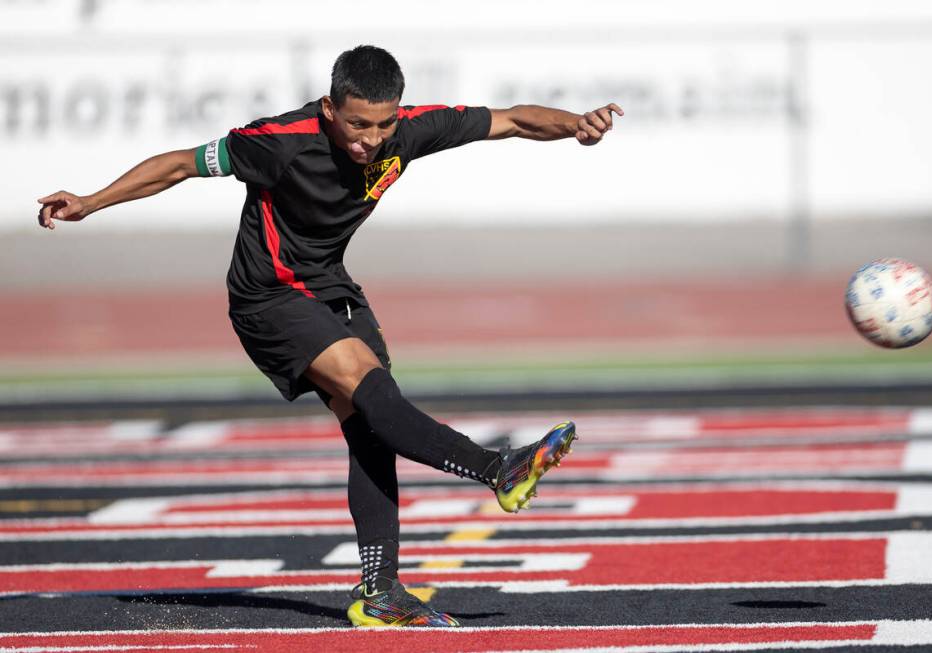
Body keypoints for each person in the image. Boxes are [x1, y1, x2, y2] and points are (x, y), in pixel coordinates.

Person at [37, 45, 622, 628]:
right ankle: (498, 469)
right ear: (329, 108)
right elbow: (178, 164)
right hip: (268, 297)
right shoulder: (278, 141)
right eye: (356, 124)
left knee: (373, 424)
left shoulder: (410, 129)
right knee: (376, 397)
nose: (370, 139)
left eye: (382, 124)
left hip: (332, 287)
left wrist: (575, 125)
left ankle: (380, 592)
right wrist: (91, 201)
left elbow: (512, 120)